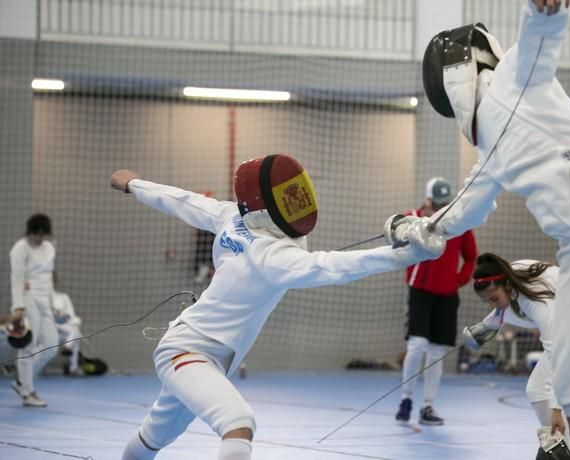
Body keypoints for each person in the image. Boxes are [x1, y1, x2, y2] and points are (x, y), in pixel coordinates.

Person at [384, 1, 570, 458]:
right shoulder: (489, 147)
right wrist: (417, 227)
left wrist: (543, 10)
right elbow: (466, 208)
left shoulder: (515, 78)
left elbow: (537, 43)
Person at [111, 154, 445, 460]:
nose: (296, 203)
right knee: (238, 423)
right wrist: (408, 254)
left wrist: (134, 184)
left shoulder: (232, 218)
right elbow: (334, 266)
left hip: (202, 354)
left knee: (153, 438)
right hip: (186, 352)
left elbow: (183, 201)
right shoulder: (272, 256)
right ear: (265, 208)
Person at [468, 253, 570, 460]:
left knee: (551, 393)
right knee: (538, 389)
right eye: (487, 302)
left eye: (494, 299)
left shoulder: (537, 304)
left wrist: (556, 410)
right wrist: (484, 326)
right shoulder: (511, 274)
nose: (493, 305)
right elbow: (502, 309)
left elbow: (558, 354)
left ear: (506, 286)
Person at [395, 177, 477, 426]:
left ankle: (428, 406)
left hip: (447, 296)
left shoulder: (459, 224)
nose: (442, 207)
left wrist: (460, 279)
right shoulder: (413, 218)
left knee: (436, 352)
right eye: (437, 202)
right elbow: (396, 234)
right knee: (416, 346)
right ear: (428, 200)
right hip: (420, 292)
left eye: (446, 202)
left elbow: (471, 256)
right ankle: (406, 399)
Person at [9, 213, 60, 407]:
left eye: (42, 234)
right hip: (27, 300)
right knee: (28, 347)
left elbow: (48, 278)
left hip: (45, 300)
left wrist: (54, 304)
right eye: (35, 234)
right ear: (29, 232)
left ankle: (22, 381)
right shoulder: (20, 249)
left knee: (52, 345)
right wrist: (18, 307)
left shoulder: (49, 248)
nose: (38, 238)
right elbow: (17, 279)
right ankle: (27, 392)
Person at [51, 274, 85, 377]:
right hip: (47, 330)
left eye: (53, 281)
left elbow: (71, 315)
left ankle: (73, 368)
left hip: (63, 330)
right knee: (73, 334)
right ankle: (68, 347)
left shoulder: (63, 297)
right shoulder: (40, 299)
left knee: (74, 331)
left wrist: (66, 317)